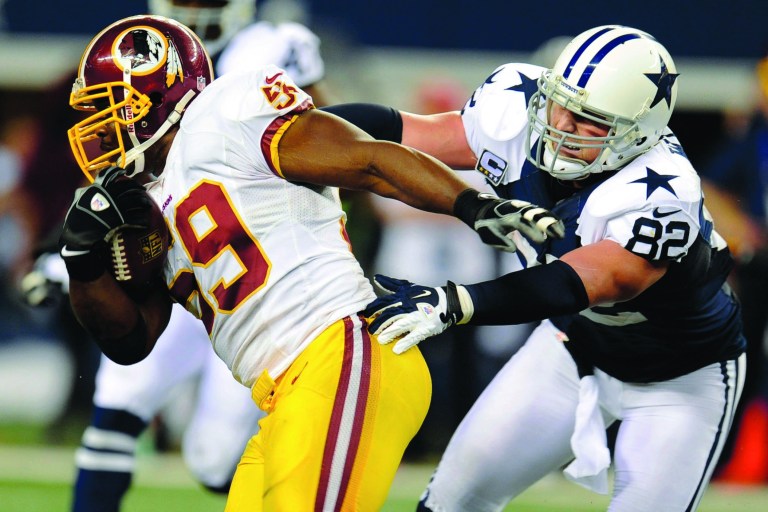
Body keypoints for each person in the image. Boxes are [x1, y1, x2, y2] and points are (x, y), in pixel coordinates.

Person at [58, 15, 561, 511]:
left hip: (342, 354)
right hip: (282, 395)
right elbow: (131, 342)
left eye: (110, 108)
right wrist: (83, 262)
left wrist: (471, 206)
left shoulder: (225, 112)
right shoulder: (139, 205)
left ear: (155, 98)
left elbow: (370, 159)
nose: (96, 129)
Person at [353, 25, 746, 511]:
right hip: (568, 348)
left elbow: (582, 280)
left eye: (592, 122)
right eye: (562, 105)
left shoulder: (663, 192)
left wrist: (455, 303)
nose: (564, 126)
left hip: (680, 380)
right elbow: (409, 133)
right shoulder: (519, 110)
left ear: (638, 131)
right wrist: (294, 121)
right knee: (449, 504)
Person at [58, 2, 340, 510]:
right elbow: (110, 169)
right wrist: (71, 248)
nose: (196, 7)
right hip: (171, 267)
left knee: (213, 460)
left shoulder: (269, 49)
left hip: (246, 273)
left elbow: (326, 134)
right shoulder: (134, 54)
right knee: (120, 394)